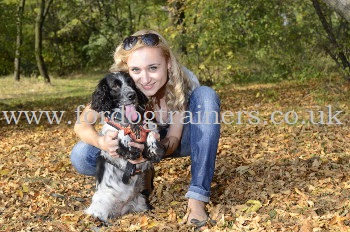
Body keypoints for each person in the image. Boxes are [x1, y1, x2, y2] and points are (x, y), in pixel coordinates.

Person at [70, 29, 220, 228]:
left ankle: (197, 199)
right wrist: (102, 143)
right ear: (127, 68)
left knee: (206, 95)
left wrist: (151, 152)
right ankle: (140, 175)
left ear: (167, 64)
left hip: (179, 140)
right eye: (136, 70)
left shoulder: (184, 81)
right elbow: (81, 125)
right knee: (81, 154)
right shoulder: (123, 83)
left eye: (153, 68)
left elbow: (174, 139)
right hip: (131, 145)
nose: (145, 78)